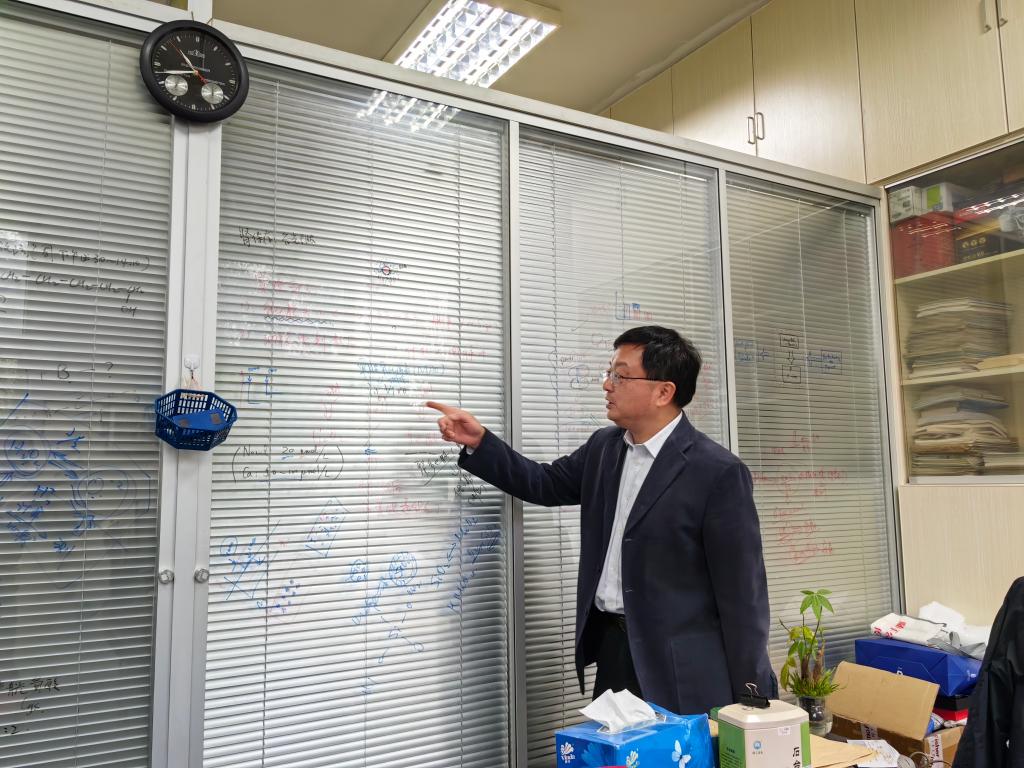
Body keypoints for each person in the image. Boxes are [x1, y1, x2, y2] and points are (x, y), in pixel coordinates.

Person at [426, 325, 775, 716]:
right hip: (614, 650)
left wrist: (753, 693)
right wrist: (480, 442)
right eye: (609, 373)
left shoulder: (716, 472)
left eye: (621, 376)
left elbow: (742, 595)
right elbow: (544, 483)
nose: (607, 385)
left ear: (663, 392)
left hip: (681, 669)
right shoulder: (604, 448)